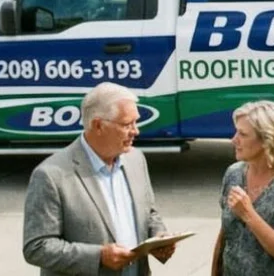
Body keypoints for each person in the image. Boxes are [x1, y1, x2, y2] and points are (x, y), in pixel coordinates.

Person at [23, 82, 173, 275]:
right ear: (98, 125)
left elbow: (149, 212)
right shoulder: (51, 175)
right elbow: (36, 247)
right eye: (127, 124)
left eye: (136, 122)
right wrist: (98, 257)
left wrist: (158, 236)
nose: (136, 131)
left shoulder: (136, 159)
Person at [211, 100, 274, 276]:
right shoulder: (233, 174)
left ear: (267, 139)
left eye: (242, 134)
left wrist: (248, 214)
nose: (234, 140)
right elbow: (225, 235)